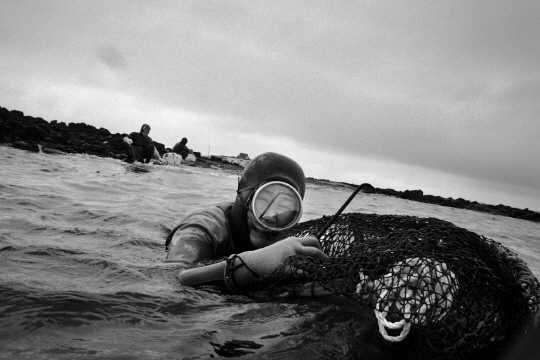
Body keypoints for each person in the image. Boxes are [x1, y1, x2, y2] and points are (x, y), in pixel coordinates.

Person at [165, 152, 328, 291]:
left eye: (284, 208)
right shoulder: (201, 229)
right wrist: (249, 265)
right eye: (262, 200)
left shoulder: (288, 242)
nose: (269, 217)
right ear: (242, 195)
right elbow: (171, 279)